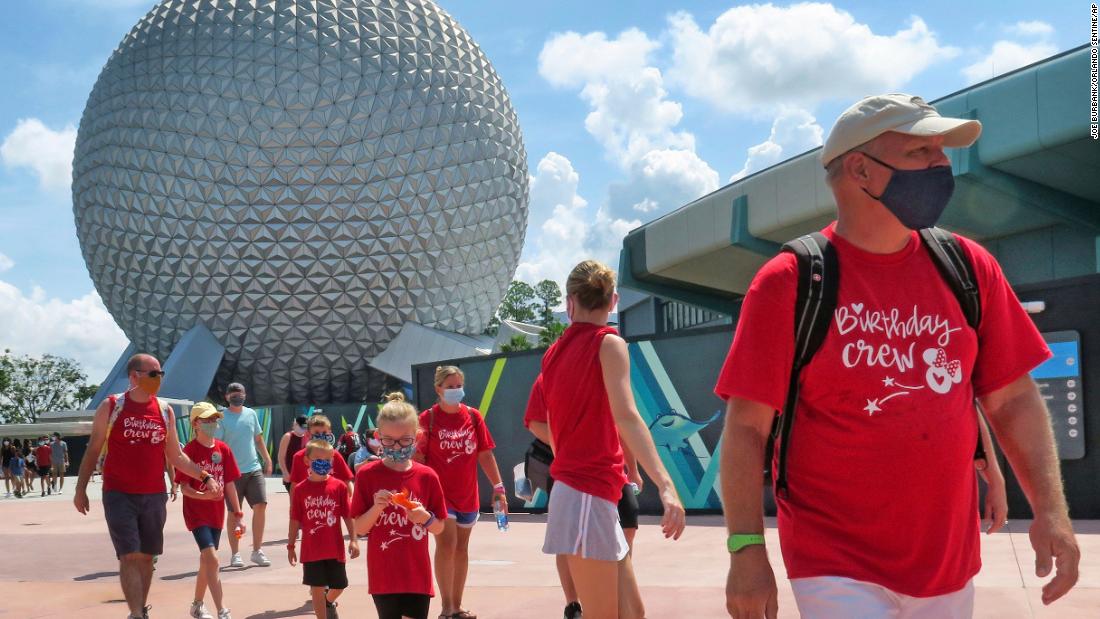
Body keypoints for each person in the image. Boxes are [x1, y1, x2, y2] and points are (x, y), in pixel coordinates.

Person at [718, 93, 1081, 619]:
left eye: (941, 151)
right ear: (861, 169)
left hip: (947, 564)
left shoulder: (968, 266)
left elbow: (1013, 400)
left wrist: (1052, 511)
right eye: (921, 152)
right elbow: (747, 429)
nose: (941, 165)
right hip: (832, 561)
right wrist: (745, 550)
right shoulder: (791, 282)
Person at [539, 260, 687, 619]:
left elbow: (552, 428)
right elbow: (627, 416)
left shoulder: (553, 353)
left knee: (632, 614)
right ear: (614, 300)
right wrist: (666, 485)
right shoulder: (608, 343)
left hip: (586, 493)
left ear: (570, 301)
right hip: (586, 494)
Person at [73, 353, 221, 619]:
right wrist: (80, 488)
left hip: (153, 495)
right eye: (153, 374)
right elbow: (93, 449)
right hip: (119, 493)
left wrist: (205, 476)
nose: (159, 379)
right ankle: (137, 615)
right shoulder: (112, 406)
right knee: (129, 555)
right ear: (134, 376)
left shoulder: (165, 411)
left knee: (147, 556)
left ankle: (139, 609)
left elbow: (176, 455)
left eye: (160, 374)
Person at [525, 374, 647, 619]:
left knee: (629, 525)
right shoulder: (550, 376)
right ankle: (574, 604)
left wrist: (633, 469)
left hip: (611, 472)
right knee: (569, 541)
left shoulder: (606, 373)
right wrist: (571, 446)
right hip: (576, 475)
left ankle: (614, 586)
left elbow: (623, 422)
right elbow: (535, 422)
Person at [412, 365, 506, 619]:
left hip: (468, 494)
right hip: (439, 495)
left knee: (462, 549)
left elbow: (485, 453)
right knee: (447, 543)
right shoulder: (427, 419)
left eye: (458, 386)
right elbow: (418, 457)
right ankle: (446, 608)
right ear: (438, 389)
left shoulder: (473, 417)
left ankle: (457, 605)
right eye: (449, 387)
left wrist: (499, 487)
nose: (455, 391)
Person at [352, 393, 447, 619]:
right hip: (384, 575)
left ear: (417, 437)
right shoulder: (367, 475)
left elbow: (439, 527)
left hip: (417, 574)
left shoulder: (427, 476)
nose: (396, 446)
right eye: (388, 440)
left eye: (405, 440)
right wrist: (376, 508)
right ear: (377, 437)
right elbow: (360, 528)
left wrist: (425, 517)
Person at [177, 403, 245, 619]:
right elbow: (184, 487)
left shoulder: (223, 449)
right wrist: (204, 496)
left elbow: (230, 483)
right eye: (207, 420)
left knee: (206, 561)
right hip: (197, 514)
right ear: (195, 423)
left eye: (214, 419)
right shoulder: (189, 451)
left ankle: (197, 605)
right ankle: (222, 610)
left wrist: (238, 513)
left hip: (217, 514)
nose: (212, 424)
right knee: (213, 559)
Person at [288, 438, 360, 619]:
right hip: (312, 549)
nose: (323, 463)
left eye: (327, 459)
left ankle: (329, 601)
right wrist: (290, 546)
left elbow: (347, 515)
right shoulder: (301, 489)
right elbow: (295, 519)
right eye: (318, 459)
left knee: (340, 585)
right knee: (317, 587)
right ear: (307, 461)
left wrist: (353, 539)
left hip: (334, 548)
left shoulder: (339, 486)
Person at [215, 383, 273, 568]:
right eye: (233, 393)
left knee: (261, 505)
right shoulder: (222, 418)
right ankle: (235, 553)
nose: (236, 396)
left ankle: (257, 550)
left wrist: (267, 459)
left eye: (239, 393)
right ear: (226, 397)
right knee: (234, 513)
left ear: (245, 394)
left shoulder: (251, 414)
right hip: (232, 473)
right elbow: (217, 445)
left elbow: (258, 438)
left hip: (253, 468)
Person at [289, 414, 355, 503]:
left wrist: (351, 499)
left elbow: (346, 479)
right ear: (308, 434)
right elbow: (294, 485)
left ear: (330, 433)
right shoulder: (299, 457)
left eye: (324, 433)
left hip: (331, 504)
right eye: (316, 433)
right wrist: (293, 509)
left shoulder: (335, 455)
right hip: (308, 504)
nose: (321, 436)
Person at [278, 415, 309, 492]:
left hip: (304, 475)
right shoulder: (288, 436)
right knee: (294, 500)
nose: (303, 430)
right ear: (295, 424)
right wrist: (285, 473)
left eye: (305, 428)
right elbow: (281, 457)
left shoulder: (306, 437)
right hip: (291, 475)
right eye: (302, 427)